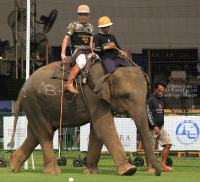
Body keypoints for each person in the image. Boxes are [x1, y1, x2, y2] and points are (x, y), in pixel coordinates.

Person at [61, 5, 96, 94]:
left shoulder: (91, 27)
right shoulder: (73, 25)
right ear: (78, 16)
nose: (83, 17)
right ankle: (69, 83)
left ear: (88, 16)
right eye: (81, 15)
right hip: (78, 51)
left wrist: (93, 52)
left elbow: (91, 42)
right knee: (82, 62)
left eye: (85, 15)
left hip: (88, 51)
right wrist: (62, 52)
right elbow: (66, 39)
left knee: (99, 59)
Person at [145, 81, 174, 172]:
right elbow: (148, 114)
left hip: (161, 127)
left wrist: (159, 127)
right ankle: (149, 167)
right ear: (155, 89)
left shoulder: (162, 99)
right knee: (149, 148)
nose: (161, 92)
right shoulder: (149, 100)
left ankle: (163, 164)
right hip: (151, 129)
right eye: (159, 90)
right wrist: (154, 126)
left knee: (168, 143)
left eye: (162, 91)